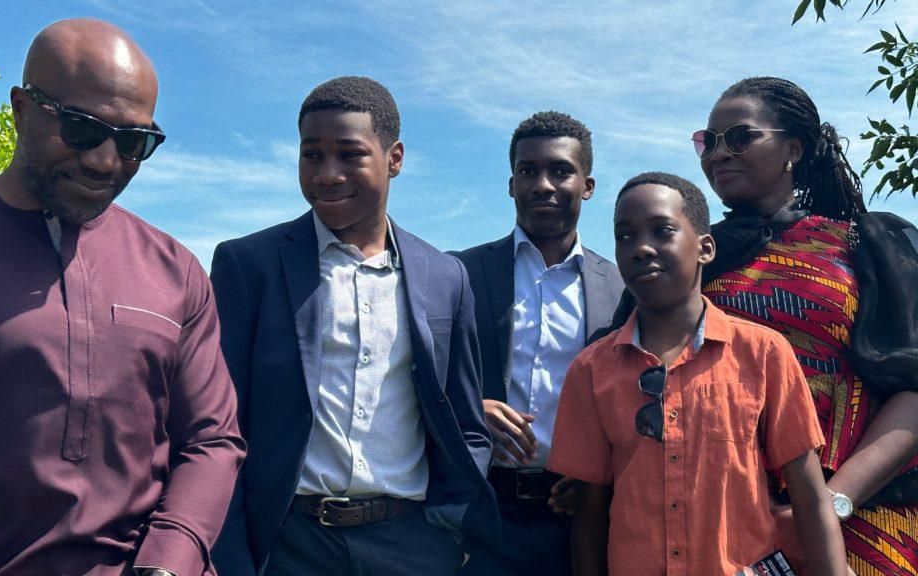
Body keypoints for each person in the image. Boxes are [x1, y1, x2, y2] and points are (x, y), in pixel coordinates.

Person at [0, 18, 245, 576]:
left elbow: (212, 440)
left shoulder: (174, 270)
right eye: (82, 129)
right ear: (21, 108)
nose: (105, 161)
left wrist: (169, 562)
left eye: (133, 142)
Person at [209, 76, 497, 576]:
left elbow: (466, 423)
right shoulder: (249, 265)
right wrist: (231, 553)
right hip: (289, 544)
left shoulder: (445, 277)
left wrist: (450, 533)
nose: (327, 174)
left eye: (350, 154)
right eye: (312, 155)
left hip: (412, 546)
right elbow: (220, 423)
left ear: (394, 158)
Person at [549, 172, 848, 575]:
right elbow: (589, 516)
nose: (641, 248)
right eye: (624, 236)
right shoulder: (591, 370)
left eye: (662, 231)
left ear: (705, 248)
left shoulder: (763, 353)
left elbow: (810, 499)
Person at [696, 76, 918, 574]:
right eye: (708, 141)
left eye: (740, 136)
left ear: (793, 149)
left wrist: (827, 507)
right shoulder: (693, 257)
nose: (719, 153)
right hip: (726, 522)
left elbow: (914, 388)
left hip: (863, 515)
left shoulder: (867, 245)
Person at [453, 111, 622, 575]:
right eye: (528, 171)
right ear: (512, 185)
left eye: (561, 171)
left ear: (587, 186)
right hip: (482, 513)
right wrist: (471, 410)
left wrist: (600, 478)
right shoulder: (459, 273)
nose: (543, 184)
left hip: (578, 515)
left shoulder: (621, 289)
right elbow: (420, 378)